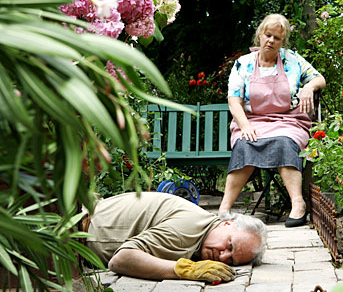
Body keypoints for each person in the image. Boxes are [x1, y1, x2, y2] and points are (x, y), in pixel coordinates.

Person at [218, 14, 326, 228]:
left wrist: (308, 87)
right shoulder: (243, 64)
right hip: (252, 121)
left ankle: (298, 204)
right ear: (260, 34)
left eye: (277, 38)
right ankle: (224, 208)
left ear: (282, 42)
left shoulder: (292, 59)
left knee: (284, 142)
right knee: (244, 144)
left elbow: (319, 78)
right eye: (268, 35)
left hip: (289, 121)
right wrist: (245, 126)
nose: (271, 41)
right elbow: (234, 101)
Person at [85, 192, 267, 282]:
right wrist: (186, 270)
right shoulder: (189, 228)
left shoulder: (203, 230)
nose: (223, 257)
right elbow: (121, 260)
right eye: (229, 246)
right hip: (72, 224)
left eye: (232, 262)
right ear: (227, 223)